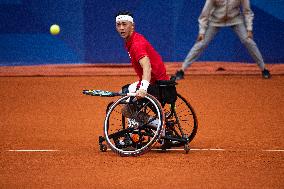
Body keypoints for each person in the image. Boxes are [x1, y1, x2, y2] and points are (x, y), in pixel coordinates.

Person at [175, 0, 271, 80]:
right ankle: (181, 70)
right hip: (215, 20)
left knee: (248, 41)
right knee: (201, 43)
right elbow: (204, 14)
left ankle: (264, 69)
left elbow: (247, 11)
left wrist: (249, 29)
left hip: (235, 19)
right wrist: (202, 32)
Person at [115, 10, 169, 98]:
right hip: (153, 80)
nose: (121, 28)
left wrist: (143, 88)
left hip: (156, 84)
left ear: (132, 26)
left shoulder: (137, 44)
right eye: (118, 25)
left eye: (124, 24)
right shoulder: (132, 40)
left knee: (126, 110)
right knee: (122, 93)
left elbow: (147, 66)